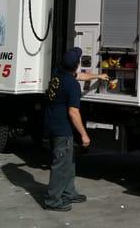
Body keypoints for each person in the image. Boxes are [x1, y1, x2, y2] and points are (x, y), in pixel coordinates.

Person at [43, 47, 93, 211]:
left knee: (68, 163)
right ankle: (53, 200)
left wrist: (98, 76)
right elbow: (73, 113)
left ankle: (68, 193)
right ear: (77, 64)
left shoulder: (58, 74)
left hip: (52, 124)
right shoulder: (72, 85)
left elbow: (80, 76)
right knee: (60, 165)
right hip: (62, 130)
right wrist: (84, 135)